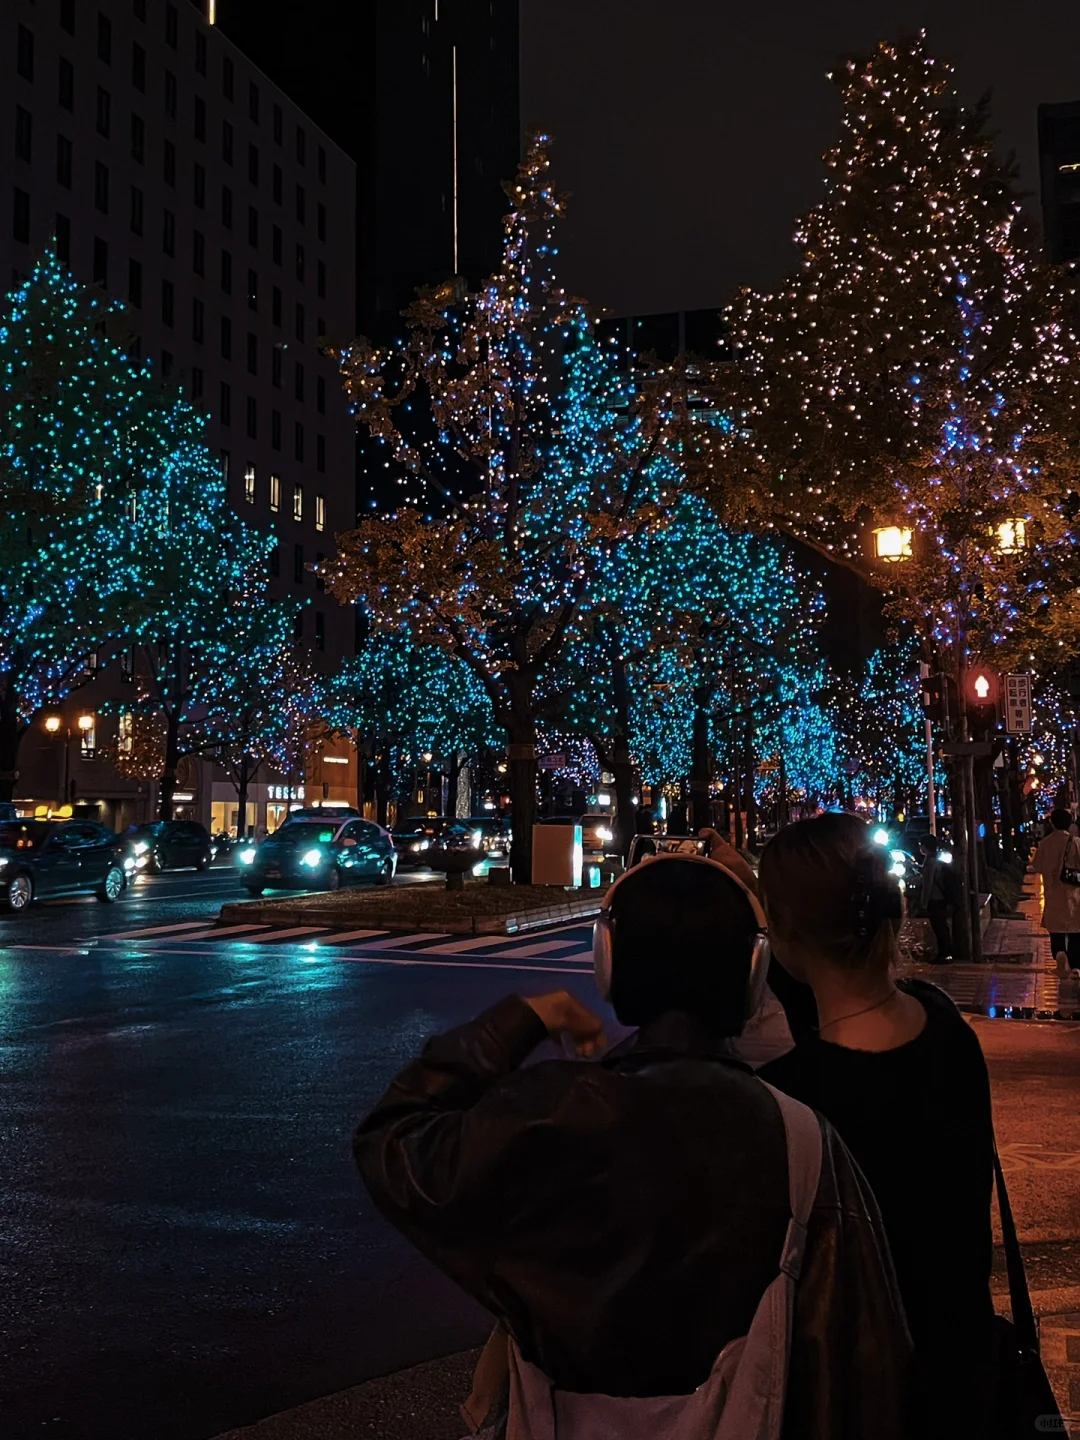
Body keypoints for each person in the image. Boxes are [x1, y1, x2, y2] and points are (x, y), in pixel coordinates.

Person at [356, 852, 912, 1439]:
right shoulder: (803, 1140)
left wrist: (524, 1019)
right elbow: (871, 1362)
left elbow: (391, 1140)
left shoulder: (547, 1114)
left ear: (607, 962)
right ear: (754, 972)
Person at [758, 813, 994, 1439]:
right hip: (965, 1375)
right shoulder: (949, 1032)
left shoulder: (788, 1097)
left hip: (855, 1399)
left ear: (779, 931)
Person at [1034, 808, 1080, 978]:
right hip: (1074, 895)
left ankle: (1059, 953)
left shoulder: (1045, 843)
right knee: (1076, 932)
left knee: (1057, 931)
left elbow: (1037, 865)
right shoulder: (1075, 842)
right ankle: (1076, 966)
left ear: (1052, 823)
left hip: (1053, 894)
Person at [918, 833, 954, 963]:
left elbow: (928, 884)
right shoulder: (936, 860)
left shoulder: (929, 862)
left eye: (921, 845)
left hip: (935, 899)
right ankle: (946, 952)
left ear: (925, 846)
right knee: (942, 927)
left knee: (939, 927)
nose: (920, 847)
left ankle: (944, 954)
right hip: (941, 898)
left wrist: (923, 901)